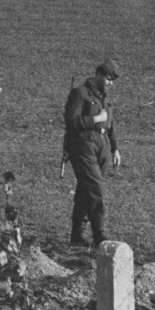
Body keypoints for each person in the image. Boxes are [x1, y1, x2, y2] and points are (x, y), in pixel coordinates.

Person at [63, 60, 122, 247]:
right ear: (98, 74)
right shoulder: (80, 93)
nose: (110, 83)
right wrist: (95, 119)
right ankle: (99, 233)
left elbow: (110, 125)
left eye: (112, 80)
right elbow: (71, 121)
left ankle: (77, 234)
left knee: (86, 188)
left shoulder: (105, 99)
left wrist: (115, 148)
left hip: (103, 145)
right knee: (95, 187)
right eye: (108, 78)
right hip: (83, 143)